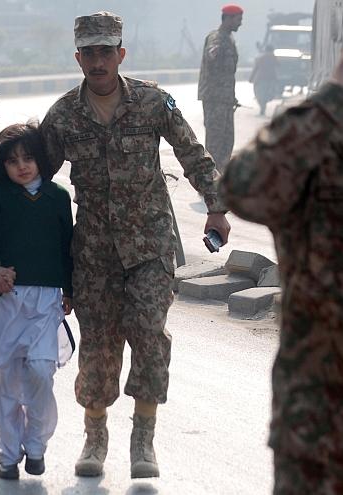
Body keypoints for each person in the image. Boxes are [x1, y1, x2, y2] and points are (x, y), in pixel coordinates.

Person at [38, 11, 231, 479]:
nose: (99, 61)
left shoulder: (151, 101)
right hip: (94, 254)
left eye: (107, 52)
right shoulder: (63, 116)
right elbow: (27, 176)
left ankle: (143, 439)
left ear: (121, 54)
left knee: (149, 333)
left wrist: (216, 206)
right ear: (78, 57)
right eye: (90, 53)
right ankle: (95, 436)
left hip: (149, 246)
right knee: (99, 346)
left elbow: (192, 151)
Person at [219, 53, 343, 495]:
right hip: (321, 409)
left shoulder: (315, 127)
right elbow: (240, 186)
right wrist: (333, 103)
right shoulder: (318, 130)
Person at [0, 123, 74, 480]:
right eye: (13, 160)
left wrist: (70, 291)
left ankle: (36, 445)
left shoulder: (58, 197)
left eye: (29, 158)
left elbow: (67, 248)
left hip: (46, 301)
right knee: (4, 380)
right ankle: (8, 453)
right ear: (2, 166)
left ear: (42, 160)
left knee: (40, 371)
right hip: (7, 301)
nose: (22, 166)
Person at [198, 4, 244, 172]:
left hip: (225, 100)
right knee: (215, 143)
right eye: (238, 20)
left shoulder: (229, 38)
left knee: (226, 142)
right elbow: (212, 56)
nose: (240, 23)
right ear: (228, 18)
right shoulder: (216, 38)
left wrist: (231, 97)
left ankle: (221, 178)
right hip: (215, 99)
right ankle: (209, 179)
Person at [250, 45, 279, 116]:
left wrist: (251, 78)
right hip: (271, 78)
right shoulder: (274, 57)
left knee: (259, 94)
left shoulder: (259, 57)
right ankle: (263, 107)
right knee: (267, 94)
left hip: (260, 79)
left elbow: (255, 68)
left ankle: (262, 107)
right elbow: (278, 65)